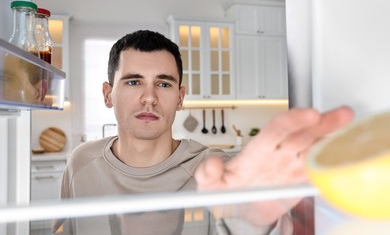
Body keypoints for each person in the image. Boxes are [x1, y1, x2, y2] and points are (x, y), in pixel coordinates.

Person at [53, 30, 354, 235]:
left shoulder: (211, 167)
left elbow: (244, 216)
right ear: (108, 94)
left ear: (181, 97)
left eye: (164, 83)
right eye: (133, 82)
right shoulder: (81, 162)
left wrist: (254, 219)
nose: (149, 97)